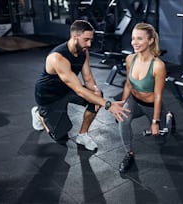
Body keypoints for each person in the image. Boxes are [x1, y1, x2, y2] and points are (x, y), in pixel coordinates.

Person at [31, 20, 129, 151]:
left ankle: (82, 135)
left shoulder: (83, 51)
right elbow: (79, 89)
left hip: (67, 89)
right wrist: (109, 105)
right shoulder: (57, 58)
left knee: (96, 98)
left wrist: (96, 91)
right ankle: (39, 114)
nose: (89, 44)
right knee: (60, 137)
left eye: (91, 40)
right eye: (86, 40)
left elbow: (88, 78)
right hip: (49, 96)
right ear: (74, 37)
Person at [118, 23, 167, 173]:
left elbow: (158, 95)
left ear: (151, 40)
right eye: (133, 38)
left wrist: (155, 122)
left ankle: (168, 116)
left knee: (162, 136)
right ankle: (129, 154)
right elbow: (128, 84)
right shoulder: (130, 59)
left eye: (139, 39)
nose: (134, 42)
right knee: (123, 120)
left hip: (151, 105)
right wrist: (122, 103)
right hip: (134, 101)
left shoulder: (158, 66)